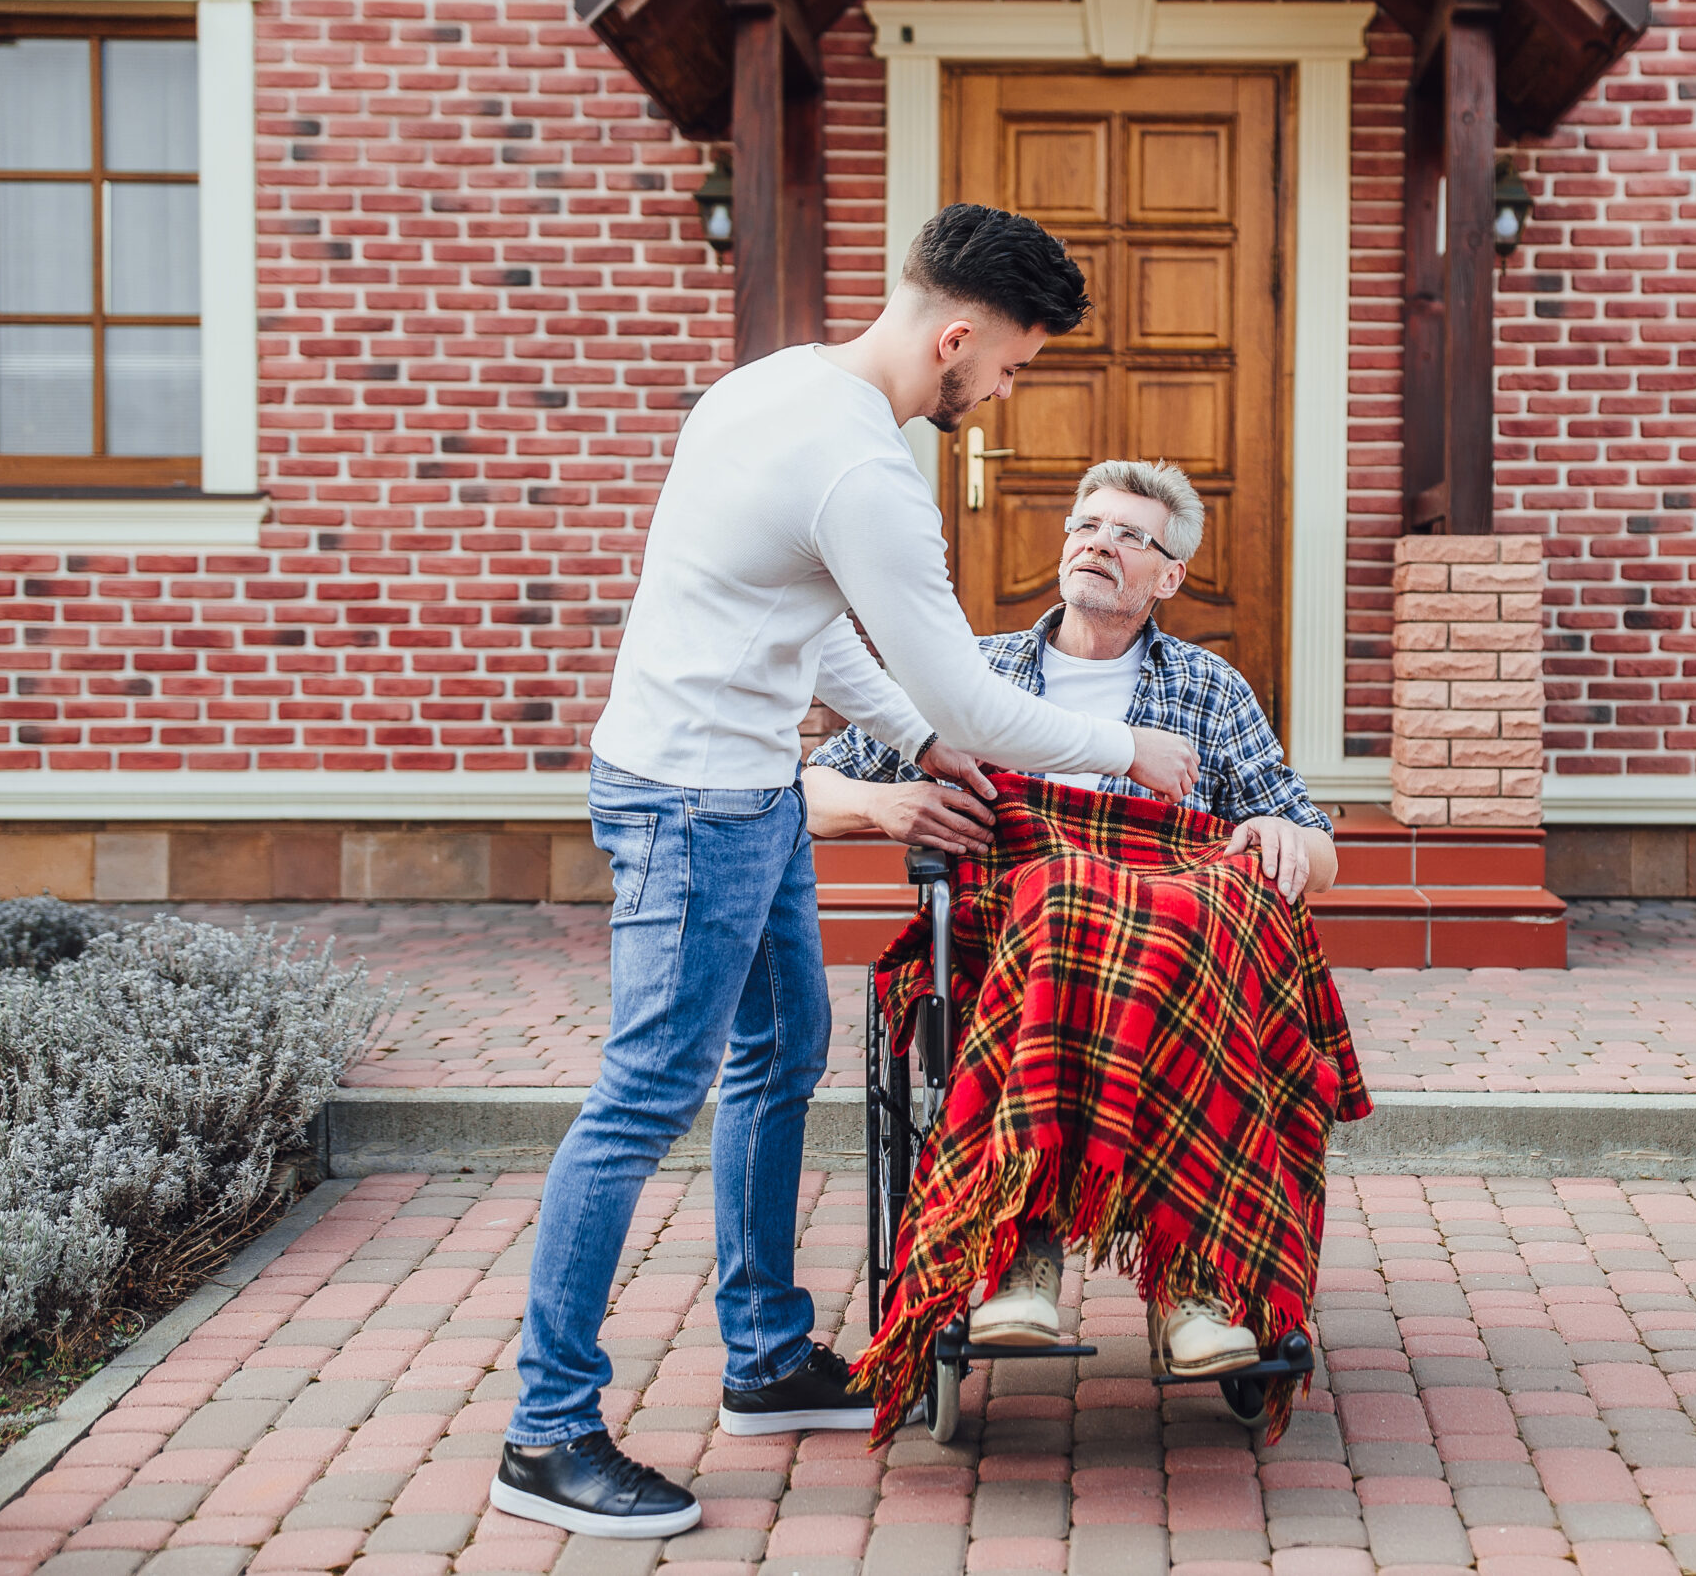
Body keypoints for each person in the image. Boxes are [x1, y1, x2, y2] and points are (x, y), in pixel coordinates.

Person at [491, 206, 1204, 1541]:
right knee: (645, 1095)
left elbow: (809, 632)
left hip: (746, 785)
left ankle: (766, 1355)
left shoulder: (768, 388)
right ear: (957, 334)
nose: (1004, 391)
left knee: (782, 1052)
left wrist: (921, 740)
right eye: (1013, 364)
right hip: (692, 805)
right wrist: (1129, 746)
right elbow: (975, 698)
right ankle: (547, 1428)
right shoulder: (866, 473)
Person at [804, 458, 1335, 1375]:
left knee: (1194, 905)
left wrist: (1281, 837)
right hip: (1015, 942)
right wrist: (888, 808)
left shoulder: (1209, 690)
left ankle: (1196, 1279)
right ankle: (1026, 1248)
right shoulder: (969, 670)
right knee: (1059, 896)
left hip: (1172, 960)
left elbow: (1316, 843)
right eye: (1087, 526)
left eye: (1131, 535)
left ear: (1169, 576)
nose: (1099, 544)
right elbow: (804, 787)